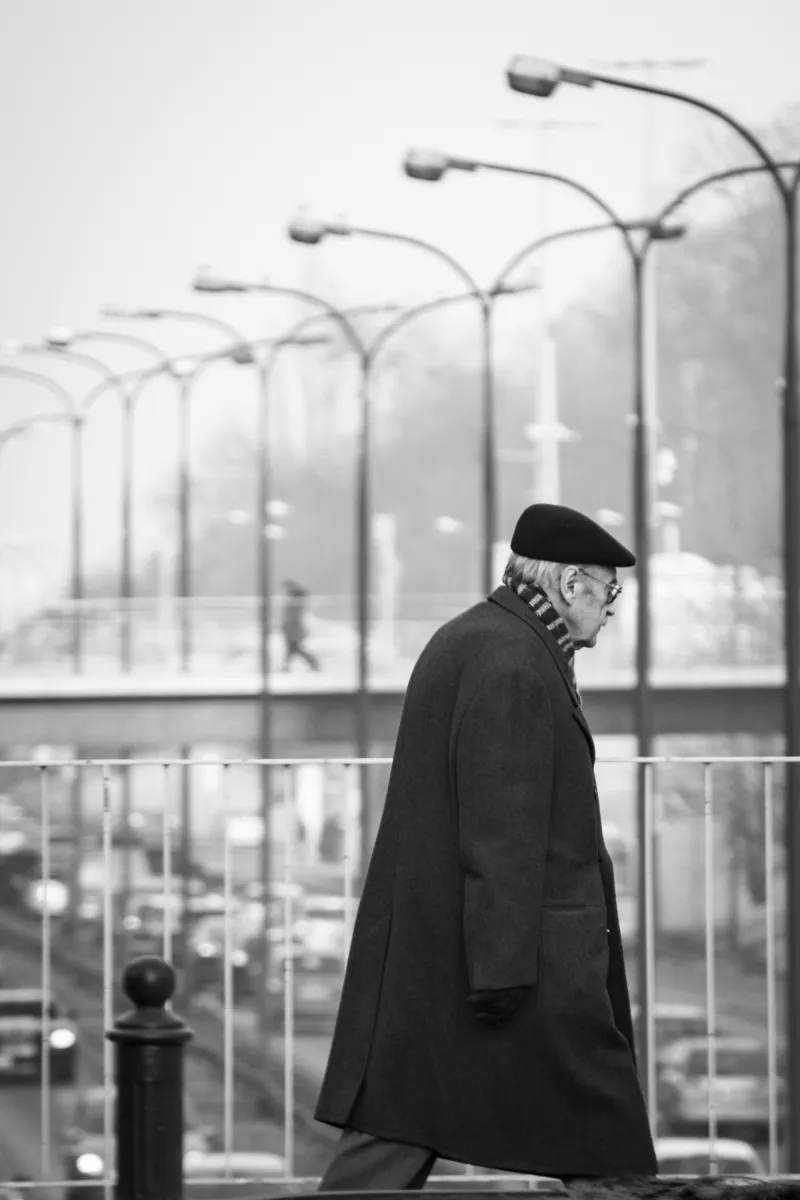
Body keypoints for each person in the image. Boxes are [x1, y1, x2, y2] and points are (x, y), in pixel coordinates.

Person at [314, 502, 658, 1188]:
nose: (613, 605)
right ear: (567, 585)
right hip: (522, 967)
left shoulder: (484, 641)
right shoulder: (513, 665)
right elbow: (502, 829)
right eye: (607, 587)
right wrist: (503, 974)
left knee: (399, 1130)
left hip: (467, 957)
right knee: (602, 1140)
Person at [280, 581, 320, 672]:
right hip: (291, 628)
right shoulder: (295, 601)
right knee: (292, 648)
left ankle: (313, 663)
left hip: (294, 629)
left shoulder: (296, 602)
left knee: (295, 648)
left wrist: (286, 626)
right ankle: (286, 667)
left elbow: (292, 617)